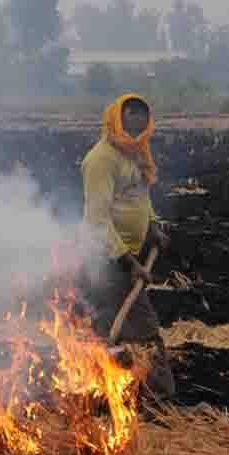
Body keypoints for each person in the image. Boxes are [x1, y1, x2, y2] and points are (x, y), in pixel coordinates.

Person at [78, 93, 176, 401]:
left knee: (108, 329)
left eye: (140, 127)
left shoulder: (135, 153)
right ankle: (159, 399)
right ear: (115, 122)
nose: (134, 133)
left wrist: (154, 226)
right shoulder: (100, 161)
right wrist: (126, 261)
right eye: (129, 125)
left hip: (128, 255)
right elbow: (97, 220)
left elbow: (140, 197)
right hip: (105, 259)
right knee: (143, 330)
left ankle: (109, 395)